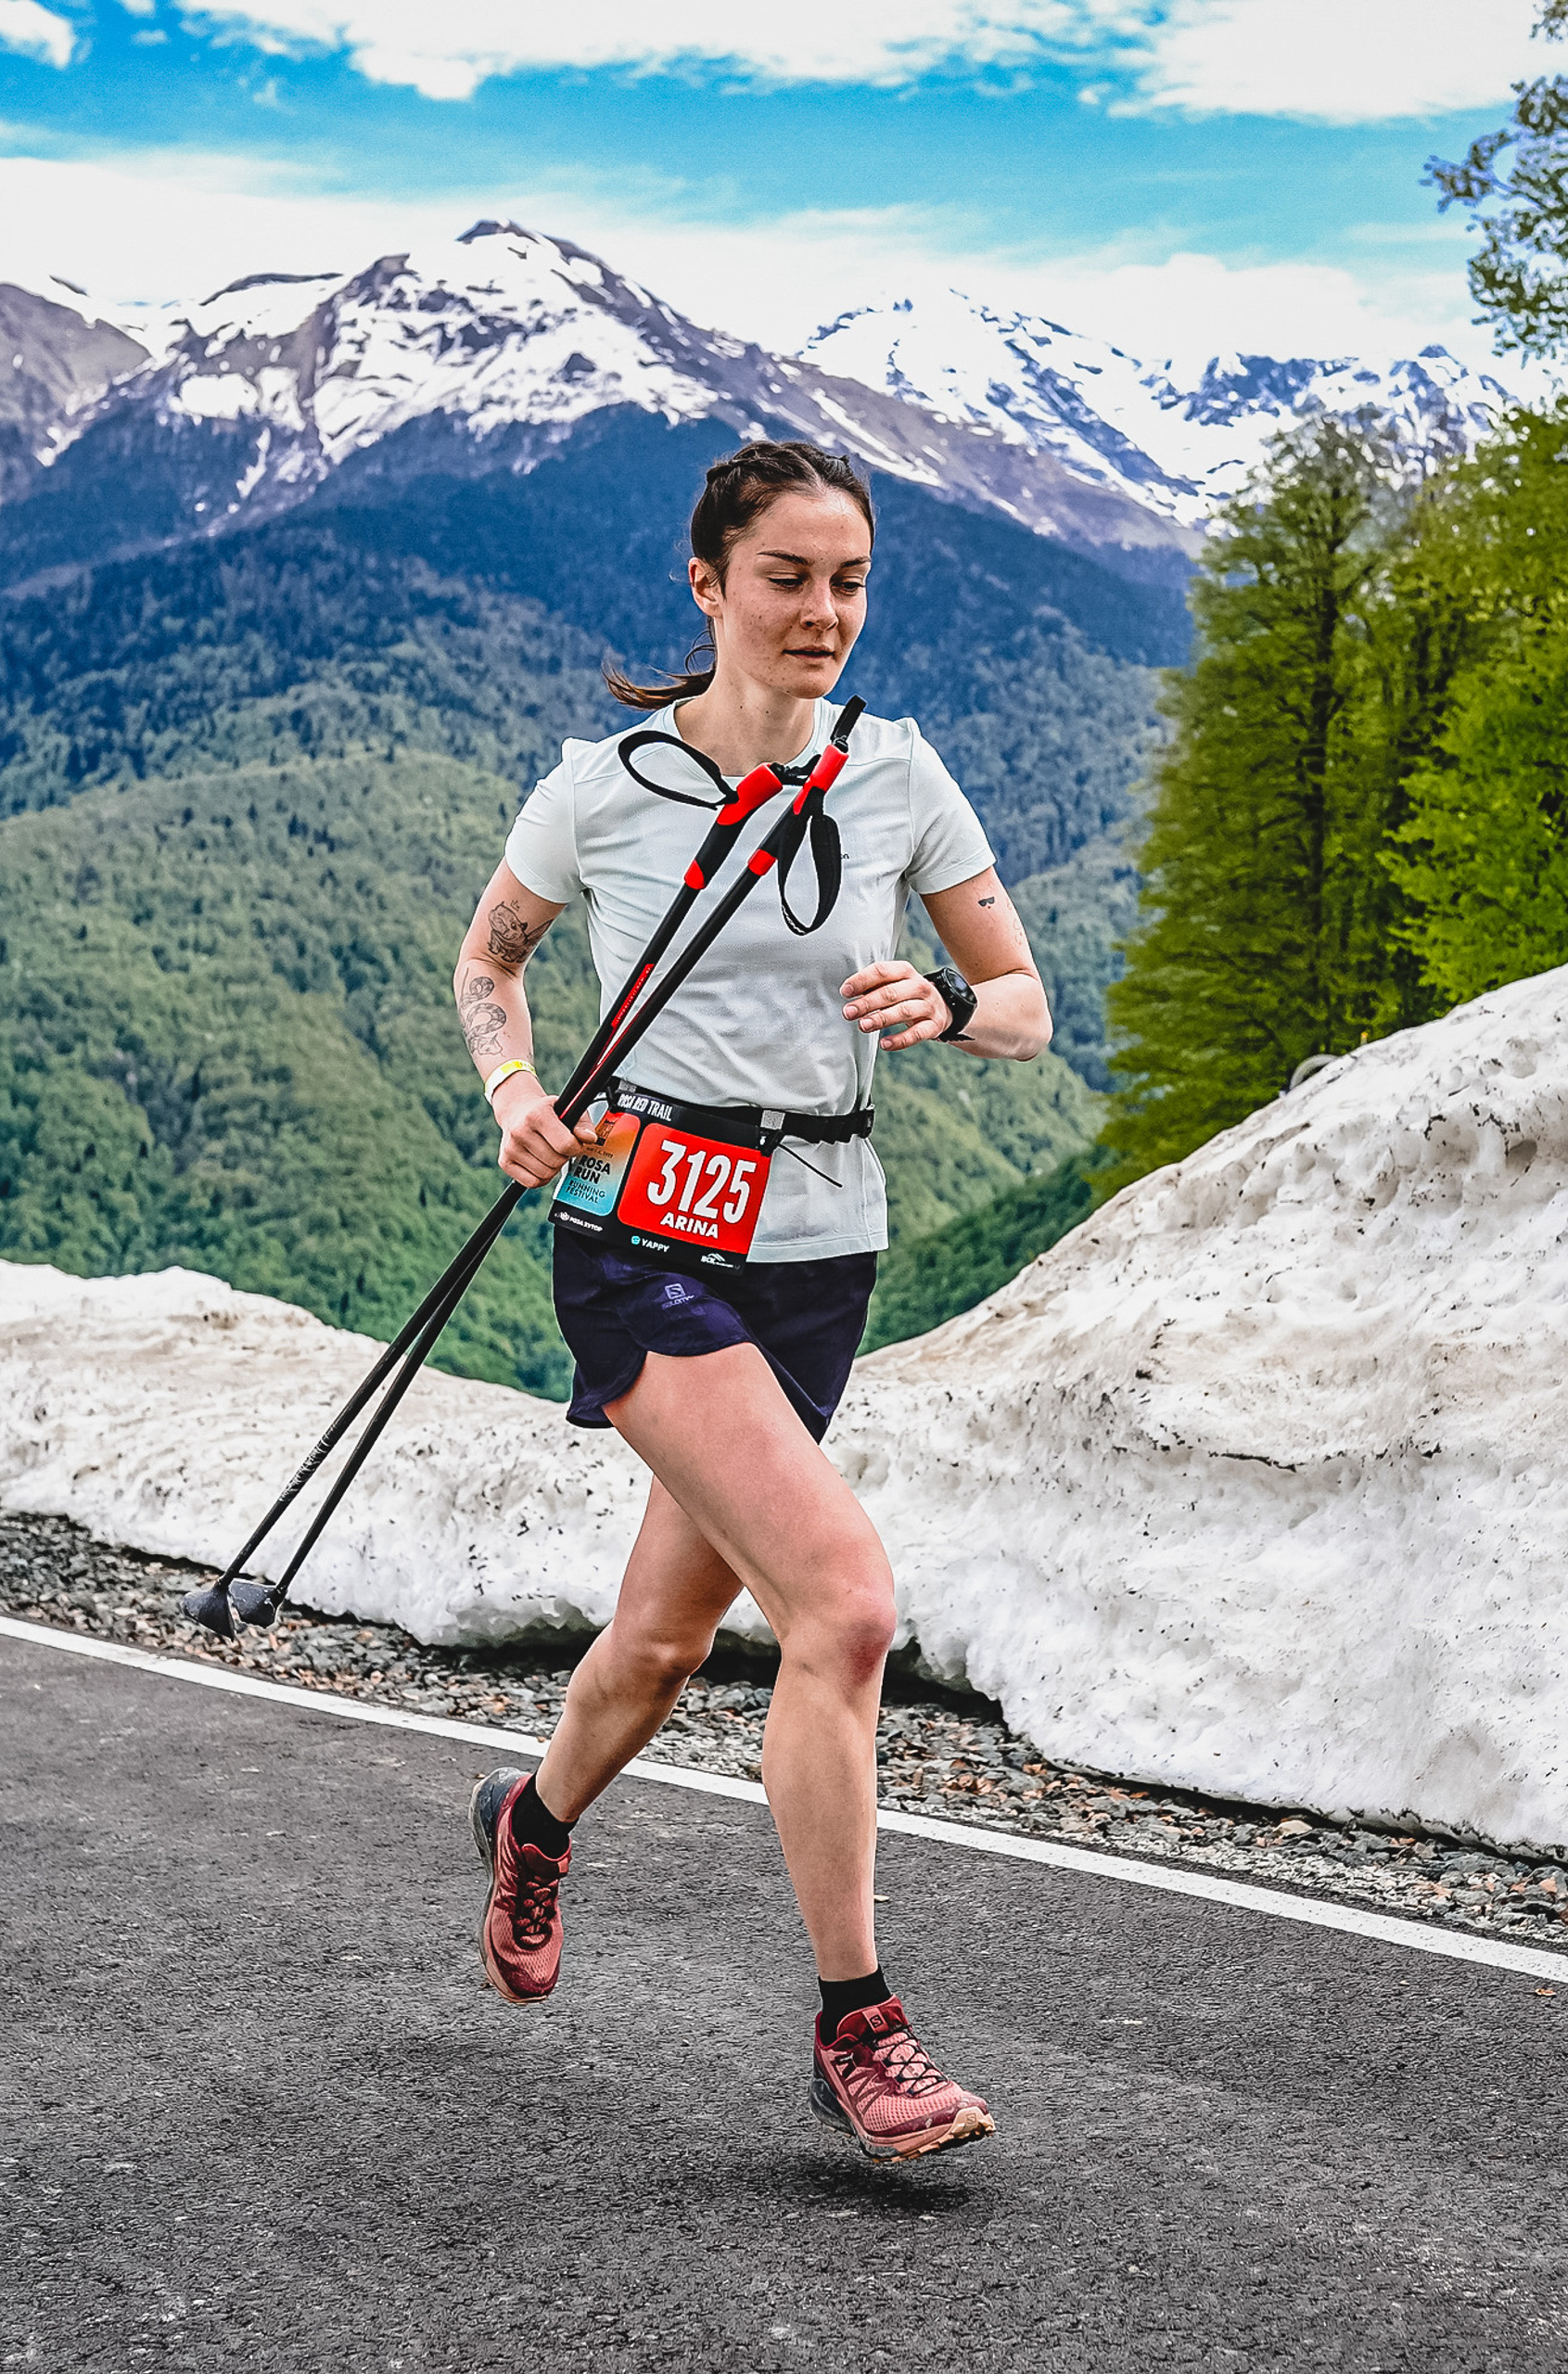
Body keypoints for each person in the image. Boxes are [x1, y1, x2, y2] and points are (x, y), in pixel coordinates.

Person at [456, 440, 1052, 2164]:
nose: (823, 612)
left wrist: (947, 1006)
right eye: (787, 578)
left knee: (660, 1642)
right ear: (707, 584)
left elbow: (1023, 1001)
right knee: (845, 1608)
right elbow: (491, 960)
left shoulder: (899, 773)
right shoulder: (604, 788)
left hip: (819, 1253)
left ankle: (530, 1820)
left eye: (848, 581)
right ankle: (858, 2026)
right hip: (642, 1233)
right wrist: (514, 1095)